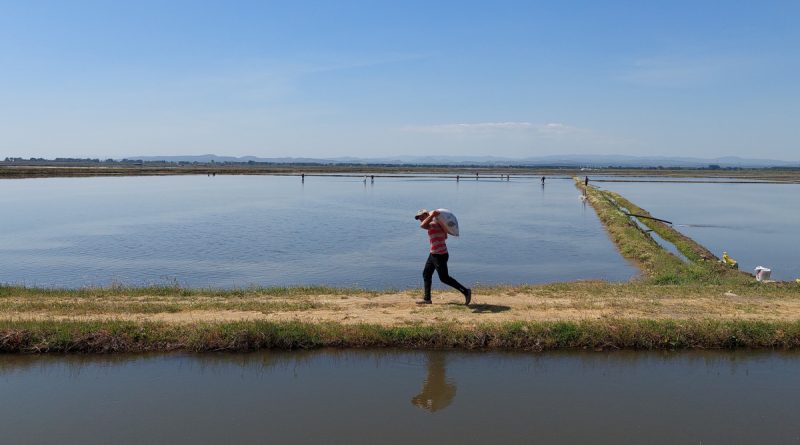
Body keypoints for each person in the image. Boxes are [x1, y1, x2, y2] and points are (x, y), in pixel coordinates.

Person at [414, 209, 471, 305]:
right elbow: (445, 236)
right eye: (418, 218)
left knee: (444, 278)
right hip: (434, 253)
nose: (420, 219)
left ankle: (466, 291)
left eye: (421, 217)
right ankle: (427, 299)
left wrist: (432, 216)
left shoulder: (433, 224)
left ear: (426, 214)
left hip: (439, 255)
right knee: (426, 274)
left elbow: (423, 226)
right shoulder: (437, 224)